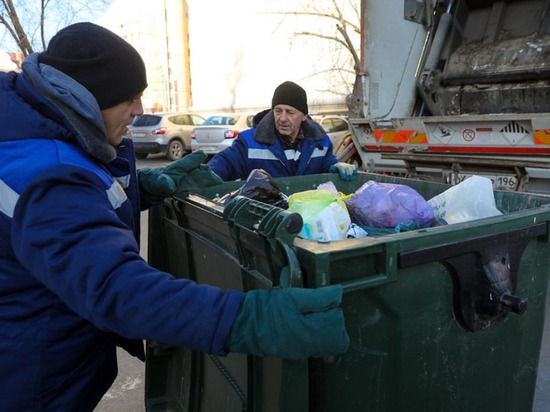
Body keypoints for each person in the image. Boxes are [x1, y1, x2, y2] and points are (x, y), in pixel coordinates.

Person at [0, 23, 349, 410]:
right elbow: (117, 287)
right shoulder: (49, 173)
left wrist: (146, 187)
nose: (140, 110)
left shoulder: (49, 139)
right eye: (129, 98)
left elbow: (81, 207)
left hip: (49, 357)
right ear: (86, 98)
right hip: (30, 379)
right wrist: (250, 318)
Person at [208, 80, 357, 181]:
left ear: (304, 115)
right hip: (264, 220)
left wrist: (334, 165)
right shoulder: (249, 142)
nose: (282, 118)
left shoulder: (320, 142)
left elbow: (324, 163)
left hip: (306, 218)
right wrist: (203, 175)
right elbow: (225, 163)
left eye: (290, 112)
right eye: (278, 111)